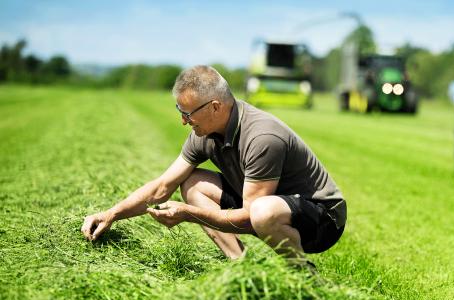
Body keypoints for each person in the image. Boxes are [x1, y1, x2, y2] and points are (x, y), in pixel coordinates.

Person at [81, 65, 347, 265]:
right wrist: (111, 214)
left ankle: (302, 276)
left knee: (263, 212)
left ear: (216, 107)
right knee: (192, 182)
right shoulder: (204, 134)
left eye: (188, 113)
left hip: (321, 219)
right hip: (267, 204)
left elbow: (250, 216)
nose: (184, 121)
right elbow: (162, 187)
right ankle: (241, 266)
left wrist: (189, 213)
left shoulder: (263, 137)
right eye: (180, 111)